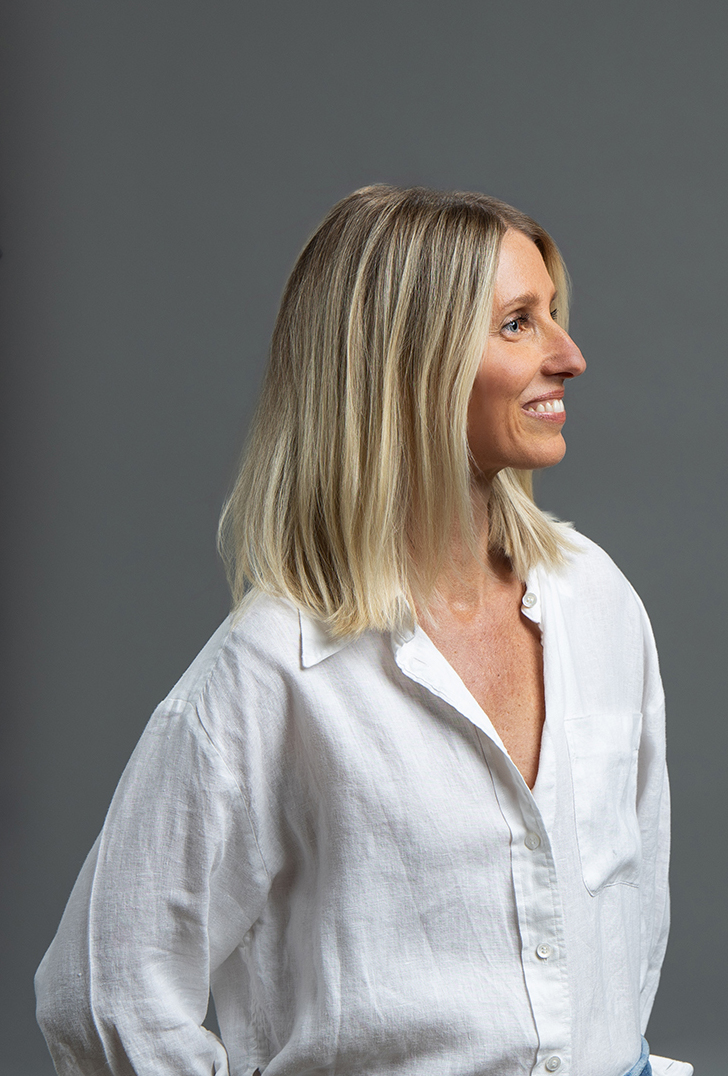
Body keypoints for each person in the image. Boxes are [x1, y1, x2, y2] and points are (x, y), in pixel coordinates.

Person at [35, 185, 692, 1076]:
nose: (569, 356)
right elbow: (103, 994)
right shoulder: (275, 669)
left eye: (553, 316)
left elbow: (634, 903)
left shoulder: (598, 602)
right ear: (408, 364)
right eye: (516, 324)